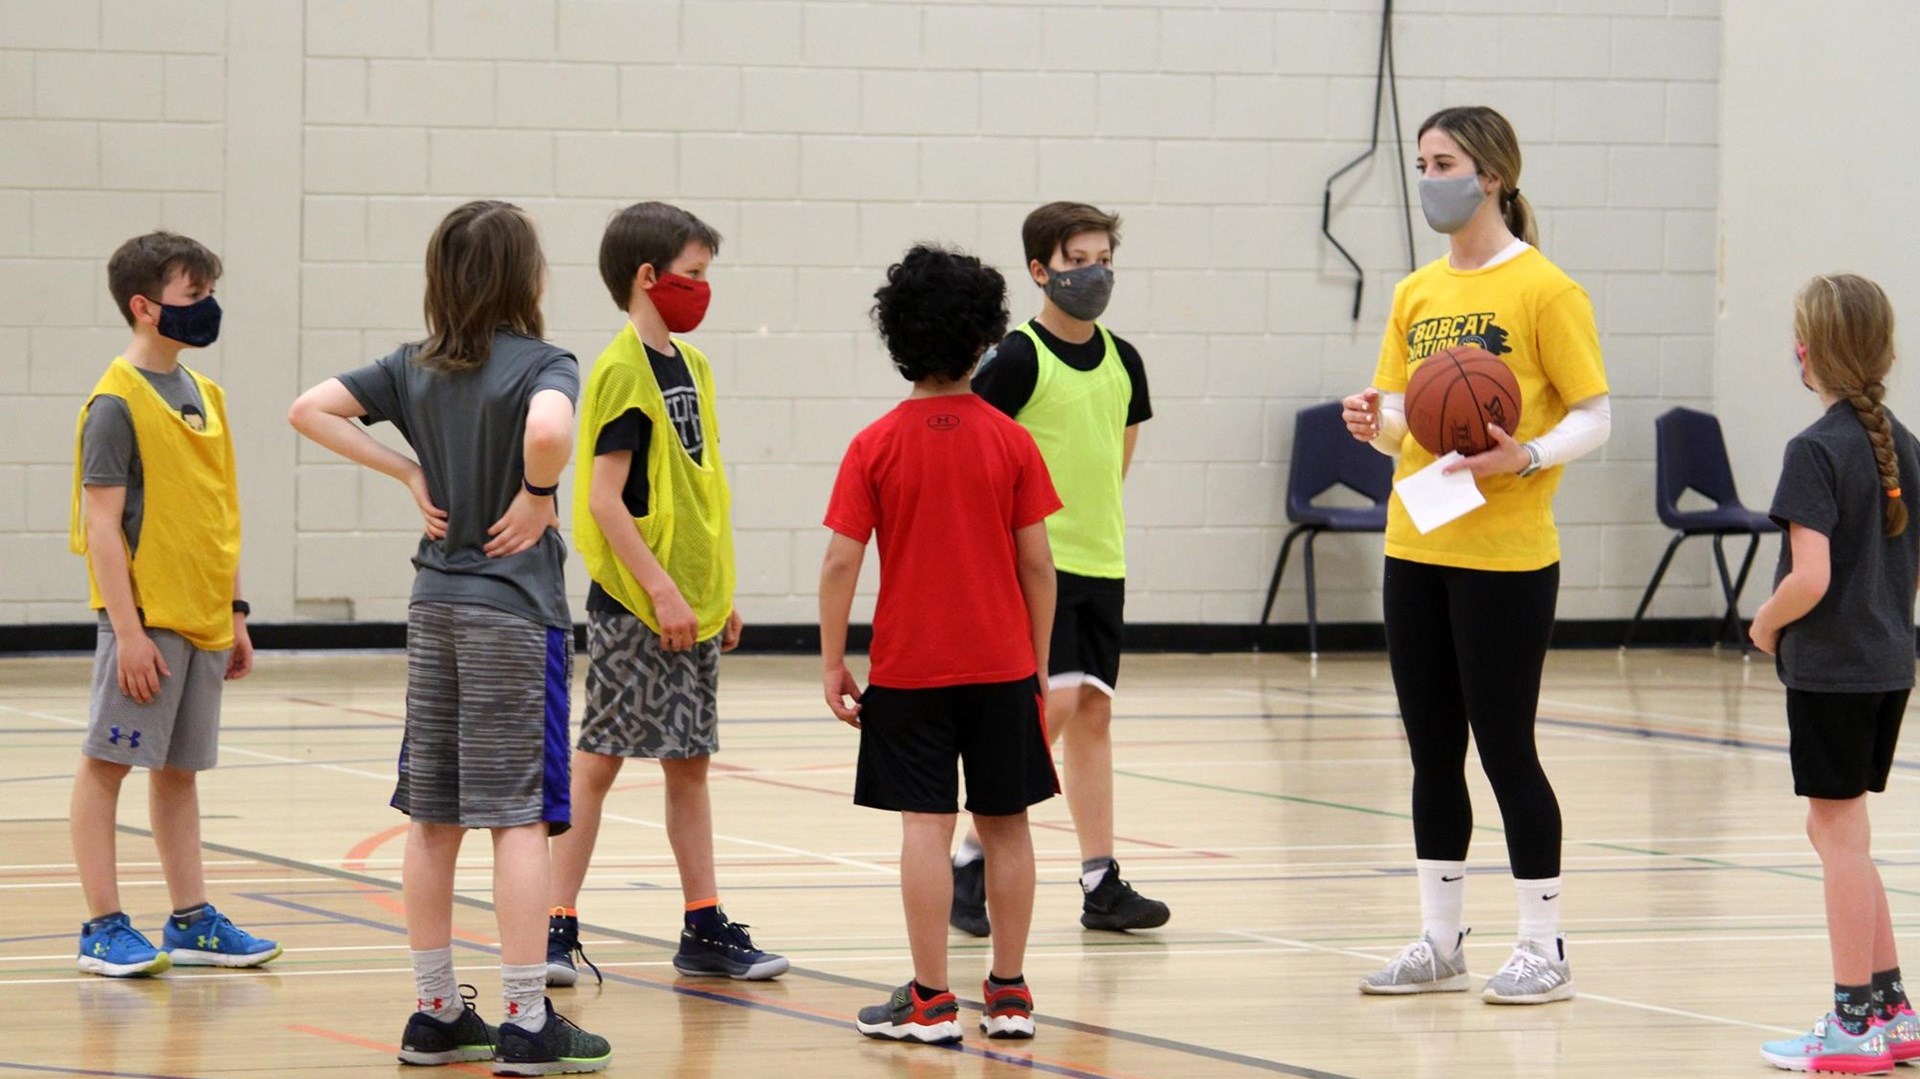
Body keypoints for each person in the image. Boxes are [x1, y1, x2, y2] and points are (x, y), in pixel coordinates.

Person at [288, 200, 610, 1074]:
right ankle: (527, 1020)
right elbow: (549, 429)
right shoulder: (545, 362)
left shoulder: (410, 366)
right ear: (525, 278)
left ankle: (434, 1011)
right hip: (514, 613)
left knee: (431, 815)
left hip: (434, 608)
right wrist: (540, 493)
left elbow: (308, 408)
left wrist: (405, 467)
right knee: (517, 821)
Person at [1339, 106, 1610, 1004]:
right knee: (1429, 751)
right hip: (1414, 541)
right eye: (1421, 162)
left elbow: (1594, 416)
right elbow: (1402, 424)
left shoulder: (1546, 289)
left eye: (1443, 161)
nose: (1429, 177)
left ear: (1490, 174)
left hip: (1508, 554)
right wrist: (1371, 421)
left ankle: (1544, 945)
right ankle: (1440, 939)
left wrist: (1526, 453)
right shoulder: (1415, 292)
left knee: (1505, 748)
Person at [820, 245, 1061, 1044]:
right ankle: (1011, 993)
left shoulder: (873, 443)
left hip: (910, 671)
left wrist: (831, 660)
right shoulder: (1012, 443)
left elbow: (840, 560)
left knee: (925, 827)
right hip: (1002, 668)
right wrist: (1037, 661)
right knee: (1007, 825)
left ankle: (929, 1000)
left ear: (898, 337)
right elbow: (1038, 564)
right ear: (988, 337)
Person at [545, 201, 786, 987]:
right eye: (693, 275)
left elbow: (697, 493)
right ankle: (553, 922)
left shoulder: (695, 367)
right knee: (599, 759)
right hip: (636, 604)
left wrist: (714, 593)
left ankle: (703, 924)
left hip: (688, 605)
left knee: (688, 764)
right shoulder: (620, 368)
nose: (703, 290)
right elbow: (604, 499)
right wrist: (659, 589)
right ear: (648, 277)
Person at [69, 231, 280, 979]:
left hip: (203, 616)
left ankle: (191, 920)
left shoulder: (205, 395)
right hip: (145, 621)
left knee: (180, 771)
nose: (208, 307)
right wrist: (127, 632)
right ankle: (102, 925)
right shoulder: (114, 404)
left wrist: (237, 610)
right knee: (106, 764)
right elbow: (101, 528)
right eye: (194, 296)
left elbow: (219, 509)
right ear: (145, 306)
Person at [952, 201, 1165, 938]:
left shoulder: (1123, 359)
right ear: (1042, 269)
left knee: (1093, 714)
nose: (1093, 271)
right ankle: (973, 851)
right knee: (1057, 704)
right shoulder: (1014, 360)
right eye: (1077, 259)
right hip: (1037, 564)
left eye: (1103, 256)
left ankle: (1101, 879)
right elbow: (977, 450)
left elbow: (1119, 451)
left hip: (1103, 558)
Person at [1753, 274, 1920, 1073]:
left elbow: (1809, 577)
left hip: (1833, 670)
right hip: (1888, 665)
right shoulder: (1904, 442)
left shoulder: (1813, 449)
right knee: (1841, 833)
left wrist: (1764, 621)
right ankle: (1890, 1008)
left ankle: (1852, 1022)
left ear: (1806, 352)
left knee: (1838, 840)